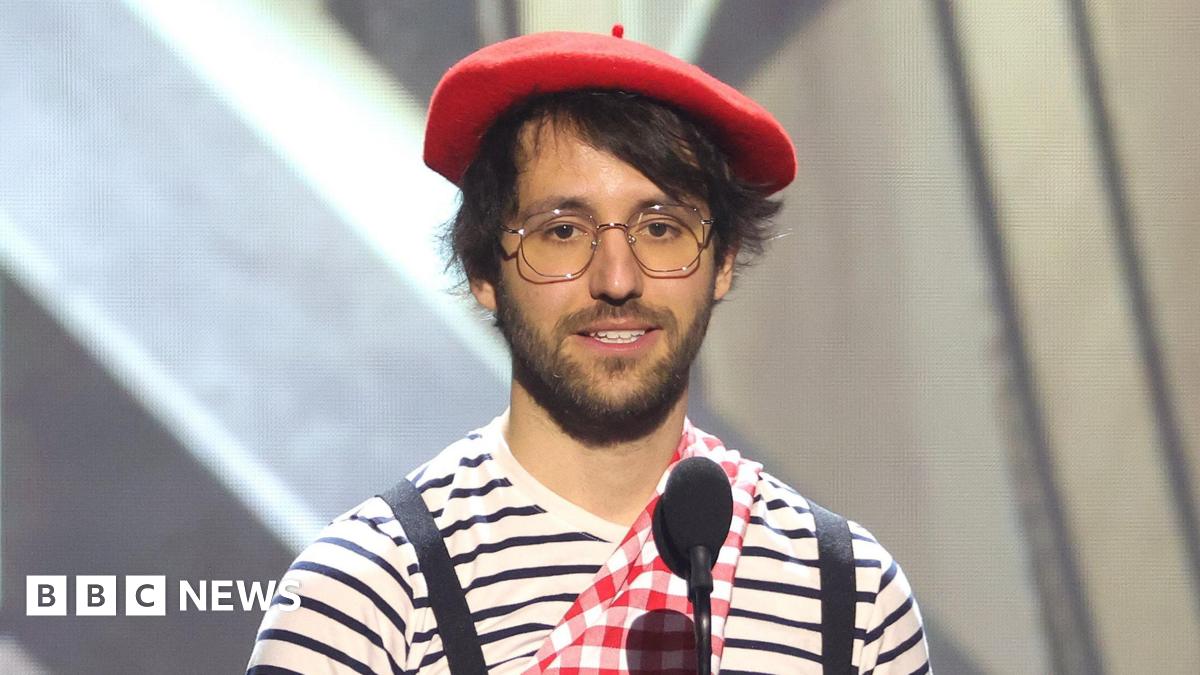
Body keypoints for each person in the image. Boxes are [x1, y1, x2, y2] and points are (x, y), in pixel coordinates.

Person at [247, 27, 929, 674]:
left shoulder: (852, 597)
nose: (617, 279)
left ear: (722, 261)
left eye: (660, 228)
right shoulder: (364, 593)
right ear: (486, 271)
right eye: (563, 231)